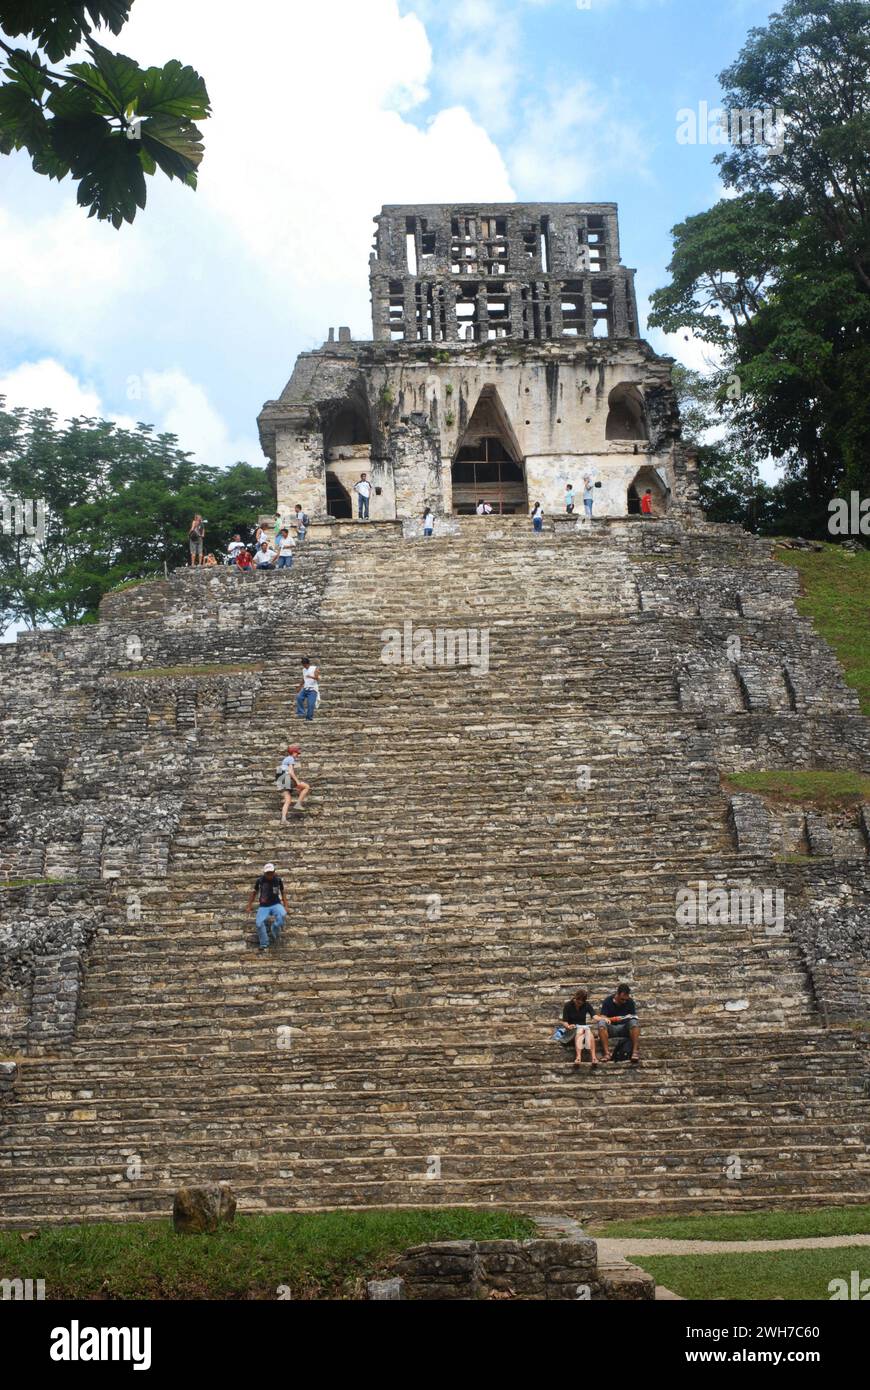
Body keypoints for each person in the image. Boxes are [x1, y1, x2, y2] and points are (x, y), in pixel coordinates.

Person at [246, 862, 288, 951]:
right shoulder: (260, 881)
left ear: (274, 872)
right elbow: (254, 893)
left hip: (276, 904)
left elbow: (283, 892)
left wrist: (286, 905)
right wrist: (249, 905)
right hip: (264, 906)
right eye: (267, 873)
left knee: (283, 915)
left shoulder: (278, 880)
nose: (269, 875)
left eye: (271, 873)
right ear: (264, 873)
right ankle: (264, 943)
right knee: (259, 923)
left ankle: (274, 928)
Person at [596, 983, 640, 1064]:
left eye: (626, 999)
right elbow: (602, 1017)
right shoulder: (608, 1001)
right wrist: (612, 1019)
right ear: (617, 994)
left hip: (624, 1028)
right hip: (611, 1028)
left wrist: (630, 1017)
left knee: (634, 1022)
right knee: (601, 1023)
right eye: (622, 999)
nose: (624, 1001)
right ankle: (607, 1054)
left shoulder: (630, 1002)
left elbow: (633, 1016)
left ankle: (634, 1052)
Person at [559, 987, 600, 1069]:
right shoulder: (568, 1005)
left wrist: (604, 1019)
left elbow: (594, 1016)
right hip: (571, 1031)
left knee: (588, 1031)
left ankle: (594, 1057)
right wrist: (568, 1026)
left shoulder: (586, 1005)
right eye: (578, 1000)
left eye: (582, 1001)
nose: (580, 1002)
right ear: (575, 998)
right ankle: (578, 1057)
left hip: (583, 1030)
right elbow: (564, 1021)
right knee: (581, 1030)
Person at [277, 743, 311, 819]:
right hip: (287, 778)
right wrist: (297, 781)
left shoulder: (285, 759)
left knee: (288, 800)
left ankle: (283, 819)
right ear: (293, 752)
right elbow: (291, 772)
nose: (297, 755)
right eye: (297, 753)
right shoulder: (290, 758)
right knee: (306, 787)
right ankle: (298, 804)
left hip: (281, 780)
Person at [296, 656, 320, 721]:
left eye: (305, 665)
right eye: (303, 665)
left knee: (311, 704)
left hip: (312, 690)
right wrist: (299, 686)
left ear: (308, 664)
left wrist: (310, 677)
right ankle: (301, 712)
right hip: (305, 688)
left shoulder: (314, 668)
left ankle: (309, 718)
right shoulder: (304, 670)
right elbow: (304, 679)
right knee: (299, 697)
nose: (304, 666)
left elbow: (317, 678)